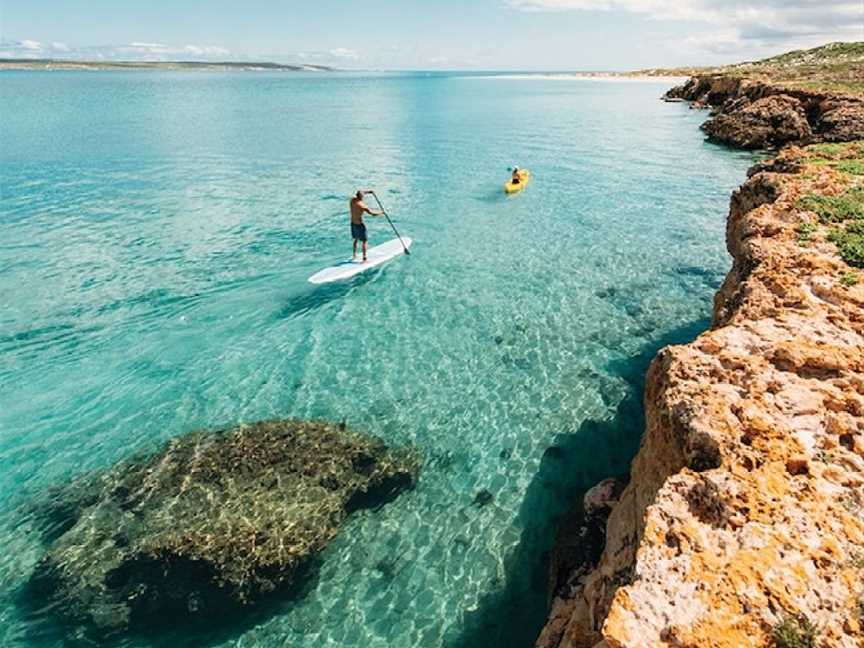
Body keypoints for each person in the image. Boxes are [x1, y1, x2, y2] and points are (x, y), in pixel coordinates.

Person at [350, 190, 383, 262]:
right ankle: (364, 258)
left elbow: (361, 192)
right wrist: (381, 213)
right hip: (359, 225)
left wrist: (369, 191)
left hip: (353, 223)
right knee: (364, 241)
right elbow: (372, 213)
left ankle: (354, 255)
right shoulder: (363, 206)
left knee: (355, 239)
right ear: (362, 197)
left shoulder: (352, 200)